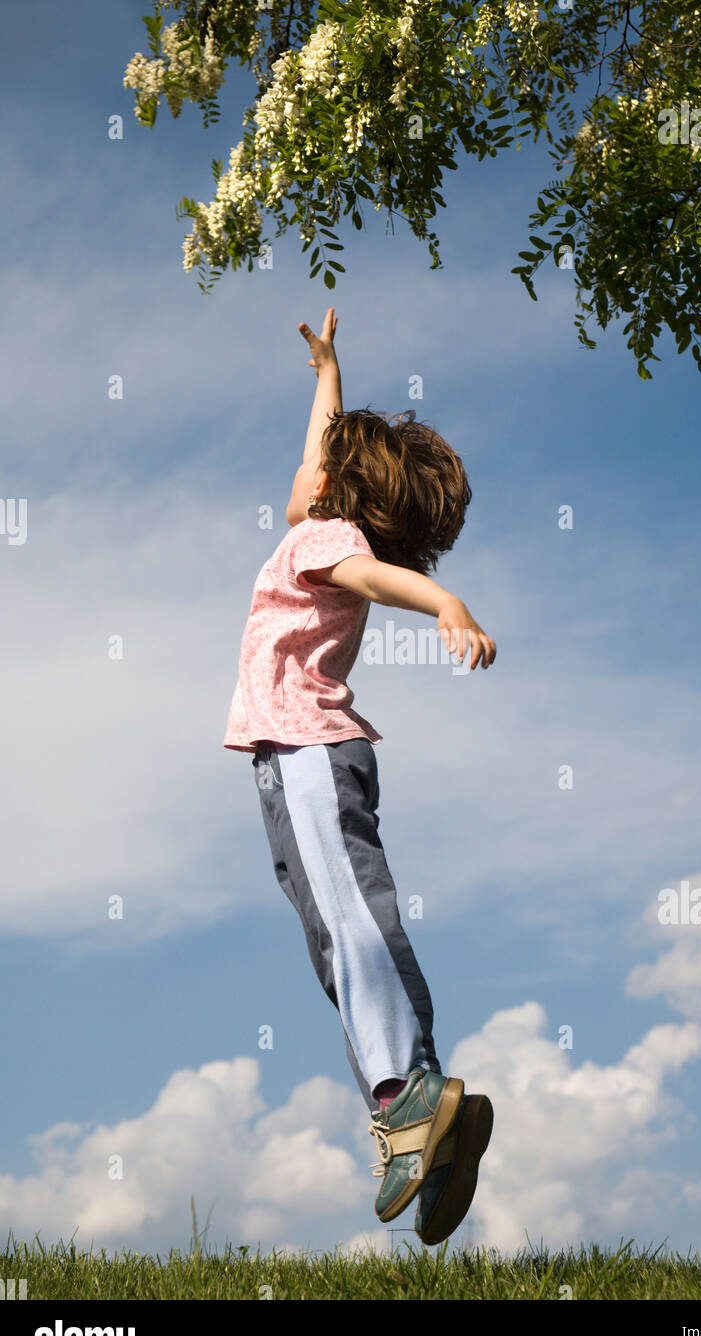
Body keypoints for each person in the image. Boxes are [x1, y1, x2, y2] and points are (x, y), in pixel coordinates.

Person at [224, 308, 494, 1244]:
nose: (298, 476)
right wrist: (326, 375)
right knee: (337, 937)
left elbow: (383, 581)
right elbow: (319, 459)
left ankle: (409, 1097)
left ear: (336, 491)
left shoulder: (326, 544)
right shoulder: (325, 526)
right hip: (293, 764)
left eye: (318, 468)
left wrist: (445, 600)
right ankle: (414, 1112)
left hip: (305, 756)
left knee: (352, 926)